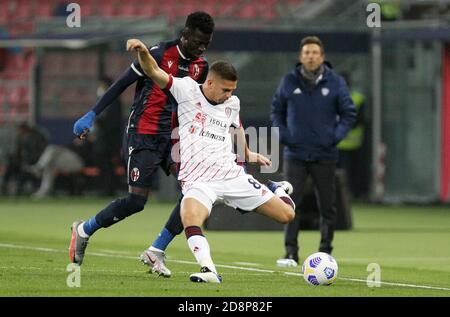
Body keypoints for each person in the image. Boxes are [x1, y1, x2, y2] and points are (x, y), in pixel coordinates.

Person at [128, 38, 295, 283]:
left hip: (232, 176)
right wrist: (143, 51)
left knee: (287, 215)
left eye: (233, 90)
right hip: (198, 181)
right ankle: (209, 271)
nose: (230, 95)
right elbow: (153, 70)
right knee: (190, 217)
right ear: (210, 82)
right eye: (226, 90)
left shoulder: (232, 103)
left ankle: (277, 188)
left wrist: (247, 153)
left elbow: (236, 127)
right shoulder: (186, 90)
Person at [69, 12, 214, 266]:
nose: (202, 48)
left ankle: (156, 249)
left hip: (175, 138)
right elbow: (120, 84)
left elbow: (199, 104)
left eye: (206, 44)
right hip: (144, 133)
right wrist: (91, 115)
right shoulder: (157, 54)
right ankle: (84, 230)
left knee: (194, 192)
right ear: (186, 34)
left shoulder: (201, 67)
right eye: (198, 42)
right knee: (136, 201)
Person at [271, 36, 357, 264]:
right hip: (295, 154)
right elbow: (276, 111)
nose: (310, 56)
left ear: (322, 57)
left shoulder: (335, 82)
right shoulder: (288, 81)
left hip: (325, 154)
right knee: (290, 204)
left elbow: (349, 113)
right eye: (306, 52)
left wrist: (334, 137)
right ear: (301, 57)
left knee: (327, 206)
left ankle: (326, 252)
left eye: (314, 53)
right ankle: (291, 252)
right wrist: (285, 136)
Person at [337, 72, 367, 199]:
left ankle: (354, 193)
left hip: (354, 143)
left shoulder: (358, 98)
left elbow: (360, 119)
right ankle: (343, 194)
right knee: (340, 172)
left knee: (353, 171)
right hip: (338, 143)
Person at [92, 77, 123, 196]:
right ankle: (105, 189)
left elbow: (111, 123)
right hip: (104, 141)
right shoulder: (105, 101)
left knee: (107, 166)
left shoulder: (114, 102)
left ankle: (108, 190)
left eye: (102, 86)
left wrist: (99, 121)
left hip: (109, 141)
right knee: (104, 165)